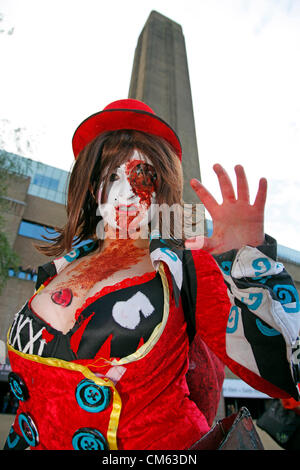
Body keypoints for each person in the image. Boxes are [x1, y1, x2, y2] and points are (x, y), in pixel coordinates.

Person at [4, 99, 300, 451]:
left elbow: (283, 371)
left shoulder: (183, 269)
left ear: (162, 187)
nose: (125, 192)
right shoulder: (55, 272)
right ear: (91, 188)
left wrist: (249, 262)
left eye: (141, 177)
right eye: (110, 176)